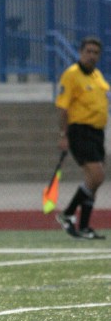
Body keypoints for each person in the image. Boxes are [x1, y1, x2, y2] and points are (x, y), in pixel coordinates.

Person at [55, 36, 109, 239]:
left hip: (97, 133)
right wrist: (64, 134)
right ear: (80, 52)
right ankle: (68, 214)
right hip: (80, 131)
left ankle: (84, 226)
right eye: (88, 51)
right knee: (97, 176)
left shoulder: (97, 76)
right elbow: (62, 107)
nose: (92, 56)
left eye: (96, 53)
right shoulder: (71, 75)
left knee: (92, 182)